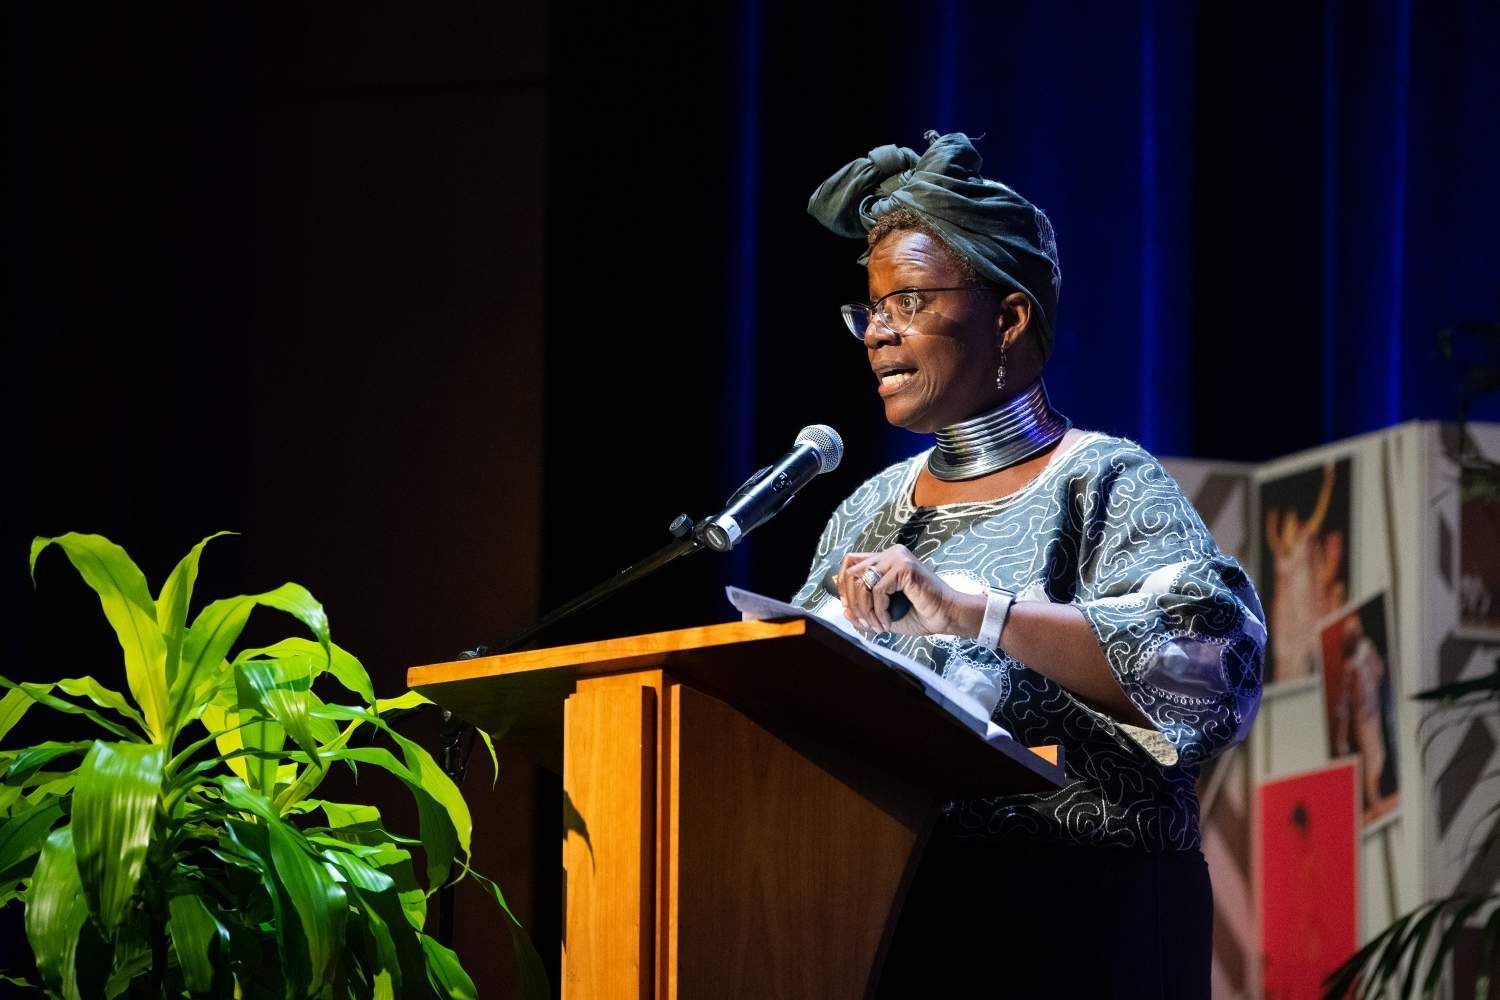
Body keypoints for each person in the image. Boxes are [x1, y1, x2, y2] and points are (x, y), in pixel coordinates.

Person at [796, 131, 1265, 998]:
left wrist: (980, 614)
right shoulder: (868, 508)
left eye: (908, 302)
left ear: (1008, 317)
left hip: (1084, 919)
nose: (877, 334)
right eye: (870, 309)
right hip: (897, 912)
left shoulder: (1102, 479)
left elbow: (1213, 669)